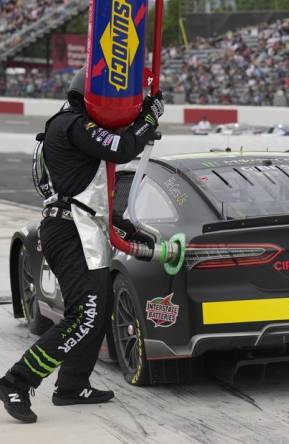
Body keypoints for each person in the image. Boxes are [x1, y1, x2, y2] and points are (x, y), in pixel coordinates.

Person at [0, 67, 163, 423]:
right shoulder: (72, 124)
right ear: (88, 99)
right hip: (68, 230)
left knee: (97, 311)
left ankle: (72, 386)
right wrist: (148, 117)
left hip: (83, 228)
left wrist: (121, 225)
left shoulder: (74, 127)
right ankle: (16, 380)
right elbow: (122, 149)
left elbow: (87, 193)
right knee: (83, 317)